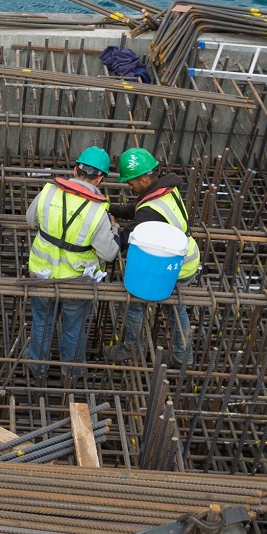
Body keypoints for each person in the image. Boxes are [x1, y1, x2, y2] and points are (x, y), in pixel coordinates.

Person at [25, 146, 120, 380]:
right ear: (100, 178)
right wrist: (114, 228)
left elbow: (30, 220)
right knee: (74, 328)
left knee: (42, 323)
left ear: (75, 169)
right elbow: (108, 254)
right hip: (77, 282)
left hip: (42, 276)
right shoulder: (99, 211)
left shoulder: (48, 192)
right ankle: (72, 371)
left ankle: (38, 368)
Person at [117, 148, 199, 365]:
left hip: (174, 267)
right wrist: (112, 209)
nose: (128, 186)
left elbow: (124, 240)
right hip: (184, 257)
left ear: (144, 181)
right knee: (173, 304)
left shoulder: (151, 209)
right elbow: (139, 210)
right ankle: (184, 355)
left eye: (130, 182)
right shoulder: (167, 190)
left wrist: (104, 230)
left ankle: (132, 348)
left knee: (136, 301)